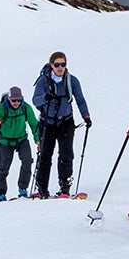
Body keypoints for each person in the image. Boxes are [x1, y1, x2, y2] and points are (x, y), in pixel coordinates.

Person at [30, 51, 92, 198]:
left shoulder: (72, 81)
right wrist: (46, 97)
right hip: (47, 123)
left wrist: (86, 116)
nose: (60, 67)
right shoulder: (43, 81)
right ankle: (42, 188)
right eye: (57, 64)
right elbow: (35, 100)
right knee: (45, 156)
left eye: (62, 64)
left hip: (66, 122)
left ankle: (65, 187)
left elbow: (80, 100)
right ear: (51, 65)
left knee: (66, 155)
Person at [0, 85, 39, 202]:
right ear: (9, 99)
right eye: (13, 100)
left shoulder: (26, 108)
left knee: (27, 161)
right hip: (5, 141)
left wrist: (37, 139)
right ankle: (1, 194)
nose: (16, 103)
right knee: (4, 167)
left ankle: (23, 189)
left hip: (21, 139)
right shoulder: (2, 109)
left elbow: (34, 124)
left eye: (18, 100)